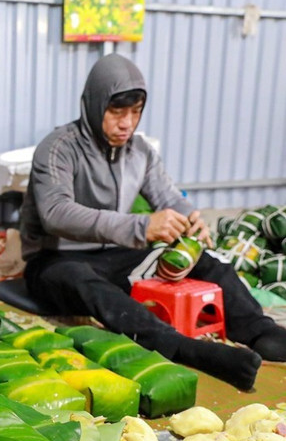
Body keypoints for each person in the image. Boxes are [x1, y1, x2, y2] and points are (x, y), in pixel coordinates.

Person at [19, 53, 286, 391]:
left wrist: (190, 218)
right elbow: (55, 213)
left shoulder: (140, 151)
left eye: (135, 112)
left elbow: (168, 196)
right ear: (94, 104)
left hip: (116, 255)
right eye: (116, 112)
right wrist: (142, 226)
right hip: (55, 260)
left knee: (205, 261)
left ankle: (261, 331)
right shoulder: (58, 148)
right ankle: (181, 347)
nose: (126, 123)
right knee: (82, 281)